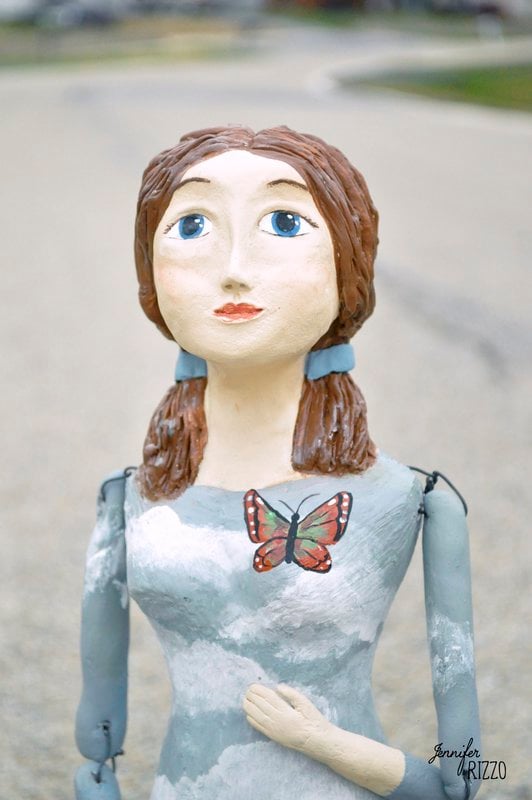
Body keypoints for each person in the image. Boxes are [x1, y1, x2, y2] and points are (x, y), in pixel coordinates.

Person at [75, 125, 481, 800]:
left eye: (285, 222)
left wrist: (323, 743)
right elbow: (95, 755)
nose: (234, 267)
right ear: (149, 271)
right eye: (193, 224)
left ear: (348, 266)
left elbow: (465, 778)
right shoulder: (126, 500)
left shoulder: (415, 501)